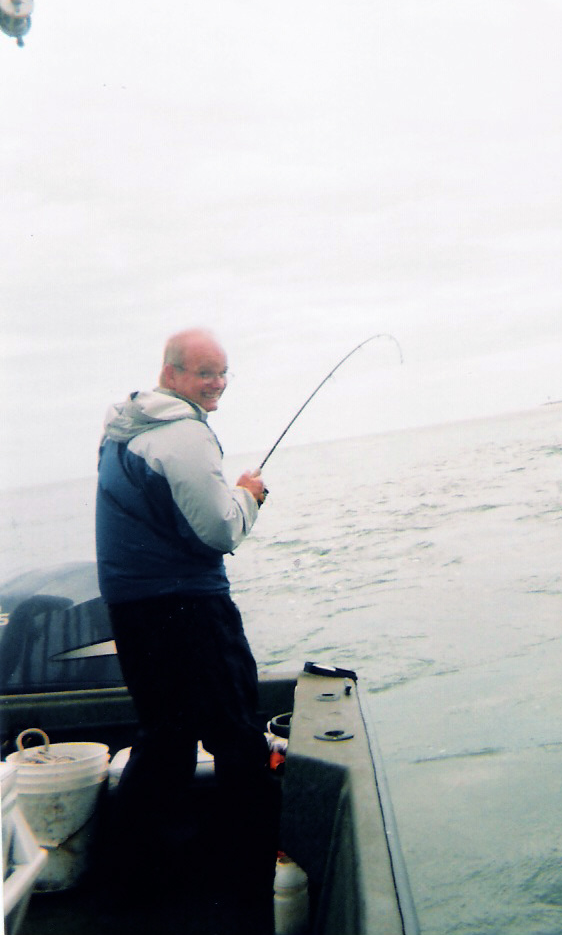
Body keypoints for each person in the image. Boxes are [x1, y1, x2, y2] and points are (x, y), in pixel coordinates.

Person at [95, 328, 278, 928]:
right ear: (171, 373)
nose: (217, 384)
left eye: (223, 372)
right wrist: (249, 494)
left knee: (166, 740)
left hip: (133, 609)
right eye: (205, 373)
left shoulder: (123, 428)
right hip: (188, 608)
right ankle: (246, 884)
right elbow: (221, 531)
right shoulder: (184, 434)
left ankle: (130, 881)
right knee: (239, 740)